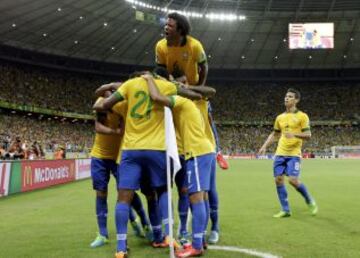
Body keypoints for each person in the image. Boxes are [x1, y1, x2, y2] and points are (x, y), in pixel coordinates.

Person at [155, 12, 225, 244]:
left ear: (181, 30)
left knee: (207, 185)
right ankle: (186, 230)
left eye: (170, 25)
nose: (166, 27)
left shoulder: (194, 46)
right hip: (177, 105)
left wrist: (194, 88)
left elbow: (205, 69)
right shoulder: (161, 47)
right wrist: (174, 83)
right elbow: (161, 72)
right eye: (166, 24)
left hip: (197, 109)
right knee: (185, 185)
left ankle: (213, 227)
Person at [142, 72, 216, 258]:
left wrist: (150, 79)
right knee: (201, 197)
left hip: (198, 153)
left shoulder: (181, 102)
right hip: (200, 152)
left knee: (196, 198)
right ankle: (200, 240)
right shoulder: (189, 104)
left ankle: (197, 246)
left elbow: (156, 97)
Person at [258, 88, 318, 218]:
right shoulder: (280, 117)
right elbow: (275, 134)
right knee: (279, 180)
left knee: (293, 180)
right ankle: (285, 210)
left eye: (290, 96)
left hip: (294, 154)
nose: (286, 98)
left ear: (296, 100)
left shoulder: (302, 116)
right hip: (280, 153)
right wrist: (264, 146)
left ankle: (309, 200)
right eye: (286, 96)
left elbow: (308, 135)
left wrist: (294, 134)